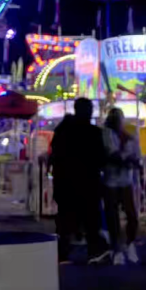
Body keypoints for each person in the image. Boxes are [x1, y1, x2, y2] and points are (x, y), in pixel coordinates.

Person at [50, 100, 109, 264]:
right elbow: (100, 158)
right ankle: (93, 252)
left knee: (66, 222)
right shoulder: (93, 133)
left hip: (66, 184)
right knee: (90, 221)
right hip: (87, 184)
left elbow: (55, 156)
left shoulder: (63, 131)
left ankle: (63, 253)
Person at [102, 108, 142, 264]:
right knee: (113, 217)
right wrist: (128, 159)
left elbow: (136, 158)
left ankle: (128, 244)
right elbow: (112, 155)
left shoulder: (129, 138)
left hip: (125, 181)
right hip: (111, 180)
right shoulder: (106, 134)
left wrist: (130, 160)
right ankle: (116, 248)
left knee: (132, 215)